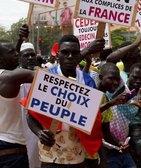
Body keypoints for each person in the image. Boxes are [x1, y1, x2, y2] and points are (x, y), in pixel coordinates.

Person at [24, 35, 105, 167]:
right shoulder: (46, 79)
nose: (70, 57)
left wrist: (102, 156)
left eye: (74, 53)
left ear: (79, 55)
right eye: (65, 52)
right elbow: (30, 115)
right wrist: (39, 133)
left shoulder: (87, 81)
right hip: (50, 154)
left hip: (77, 154)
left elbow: (95, 121)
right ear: (57, 55)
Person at [0, 25, 35, 168]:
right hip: (11, 152)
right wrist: (84, 54)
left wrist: (20, 41)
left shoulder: (7, 76)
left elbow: (8, 63)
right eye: (12, 52)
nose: (17, 53)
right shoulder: (12, 77)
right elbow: (52, 78)